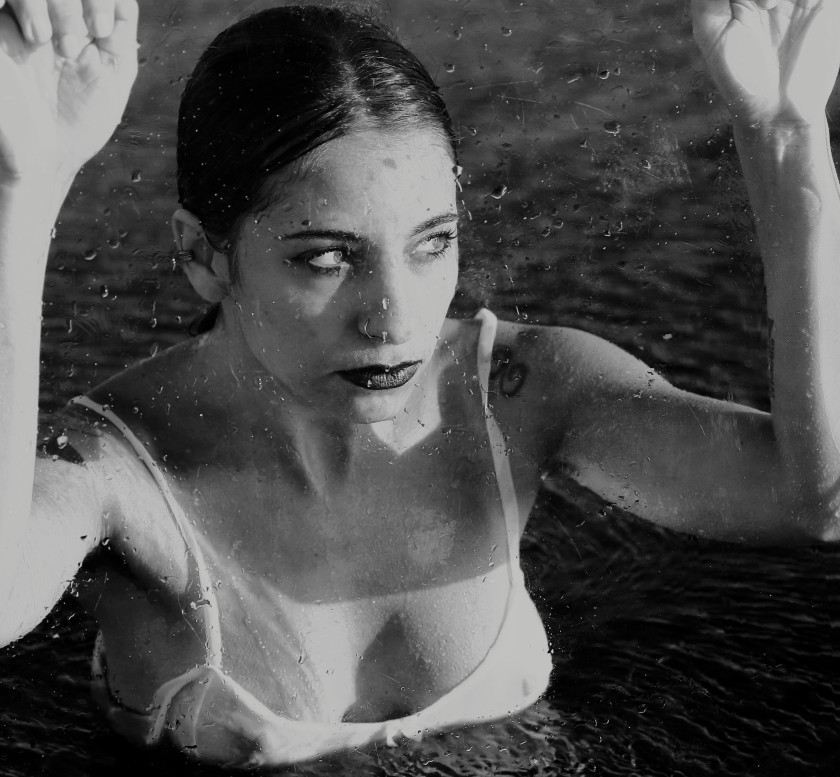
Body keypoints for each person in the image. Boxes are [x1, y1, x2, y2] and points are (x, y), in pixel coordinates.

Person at [1, 0, 838, 768]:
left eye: (432, 243)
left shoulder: (513, 395)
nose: (394, 317)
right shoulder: (117, 472)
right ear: (201, 255)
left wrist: (786, 134)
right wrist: (23, 183)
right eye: (328, 258)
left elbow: (815, 498)